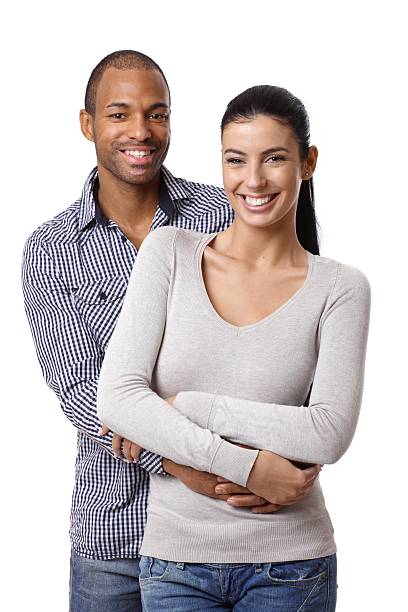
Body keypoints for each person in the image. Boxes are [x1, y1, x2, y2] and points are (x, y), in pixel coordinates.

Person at [22, 51, 297, 611]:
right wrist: (179, 462)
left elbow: (284, 333)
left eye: (158, 113)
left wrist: (296, 449)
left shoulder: (224, 215)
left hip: (228, 527)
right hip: (116, 533)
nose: (141, 132)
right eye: (119, 114)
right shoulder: (52, 249)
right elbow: (82, 391)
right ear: (87, 124)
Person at [97, 84, 371, 611]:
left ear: (306, 163)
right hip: (176, 564)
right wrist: (246, 467)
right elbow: (119, 398)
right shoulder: (169, 252)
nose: (254, 180)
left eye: (274, 159)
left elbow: (329, 432)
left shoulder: (341, 288)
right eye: (236, 160)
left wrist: (187, 408)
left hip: (290, 565)